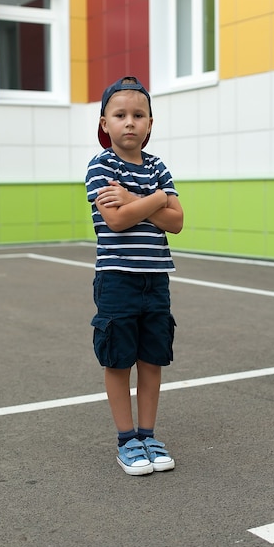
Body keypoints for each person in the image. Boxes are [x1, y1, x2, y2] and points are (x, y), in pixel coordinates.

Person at [85, 76, 183, 476]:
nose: (130, 122)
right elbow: (117, 220)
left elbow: (176, 223)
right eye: (120, 114)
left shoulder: (158, 165)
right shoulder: (101, 165)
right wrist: (156, 198)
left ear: (150, 123)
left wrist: (137, 198)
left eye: (138, 115)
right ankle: (127, 440)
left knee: (152, 358)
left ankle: (148, 434)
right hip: (117, 279)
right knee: (119, 360)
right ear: (104, 122)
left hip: (155, 279)